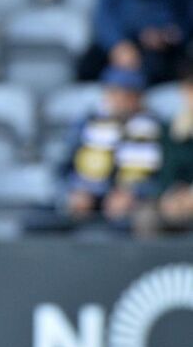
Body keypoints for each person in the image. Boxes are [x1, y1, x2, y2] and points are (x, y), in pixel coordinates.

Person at [28, 66, 163, 235]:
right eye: (113, 93)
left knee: (136, 222)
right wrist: (72, 192)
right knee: (35, 220)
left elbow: (165, 177)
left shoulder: (156, 129)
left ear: (138, 98)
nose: (118, 100)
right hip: (86, 197)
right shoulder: (87, 123)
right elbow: (61, 167)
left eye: (127, 94)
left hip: (130, 204)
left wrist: (135, 194)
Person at [143, 61, 193, 233]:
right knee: (146, 215)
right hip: (177, 199)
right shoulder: (172, 128)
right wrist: (170, 193)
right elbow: (166, 170)